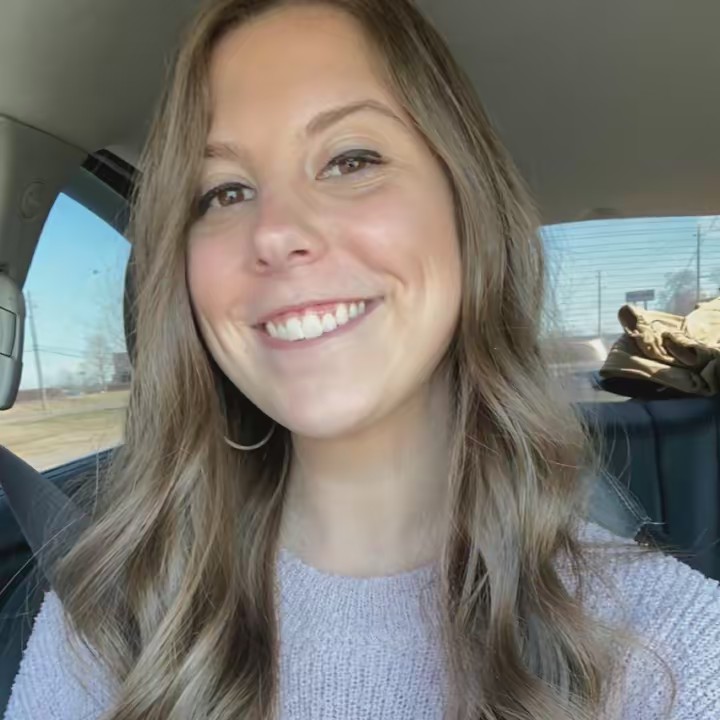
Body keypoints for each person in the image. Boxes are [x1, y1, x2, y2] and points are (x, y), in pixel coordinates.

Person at [5, 1, 720, 718]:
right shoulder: (107, 627)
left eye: (351, 160)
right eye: (224, 191)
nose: (275, 232)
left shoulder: (670, 652)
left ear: (467, 208)